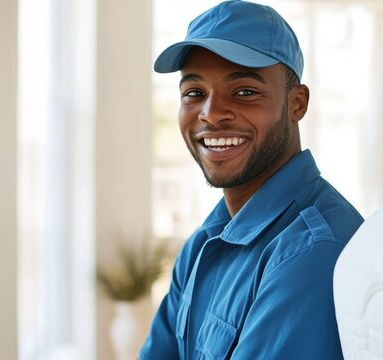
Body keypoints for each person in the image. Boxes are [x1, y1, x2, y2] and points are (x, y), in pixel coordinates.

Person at [140, 1, 364, 359]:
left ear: (297, 104)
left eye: (244, 91)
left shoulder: (310, 250)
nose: (211, 115)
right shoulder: (203, 243)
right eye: (194, 93)